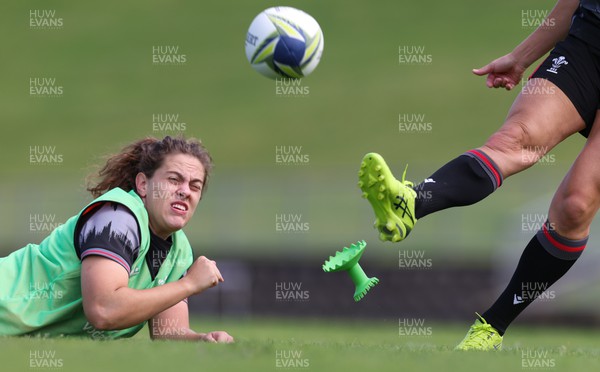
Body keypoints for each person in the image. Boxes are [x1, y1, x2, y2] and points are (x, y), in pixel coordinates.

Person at [359, 0, 600, 350]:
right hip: (588, 42)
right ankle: (410, 201)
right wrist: (521, 56)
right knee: (515, 139)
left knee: (575, 205)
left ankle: (491, 327)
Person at [0, 136, 234, 342]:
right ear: (143, 184)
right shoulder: (116, 217)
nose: (185, 191)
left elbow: (169, 332)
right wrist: (189, 285)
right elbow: (103, 310)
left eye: (195, 186)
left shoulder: (179, 250)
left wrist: (203, 341)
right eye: (174, 179)